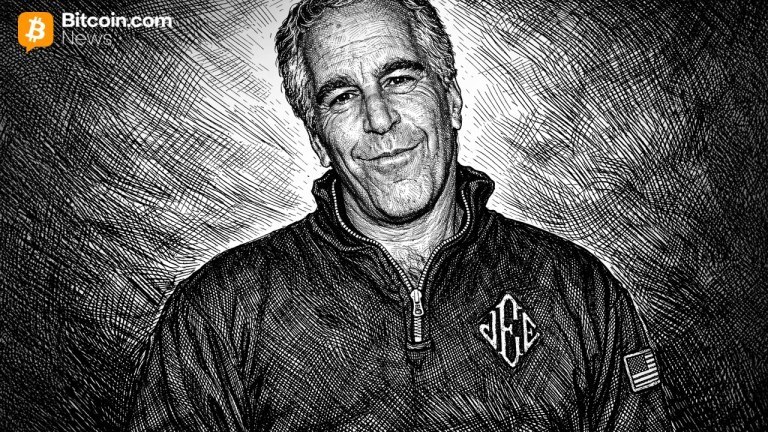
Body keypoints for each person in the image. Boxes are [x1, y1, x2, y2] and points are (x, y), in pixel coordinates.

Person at [128, 0, 670, 430]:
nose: (380, 118)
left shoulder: (579, 291)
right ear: (317, 138)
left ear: (451, 100)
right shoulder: (221, 310)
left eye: (399, 80)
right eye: (343, 97)